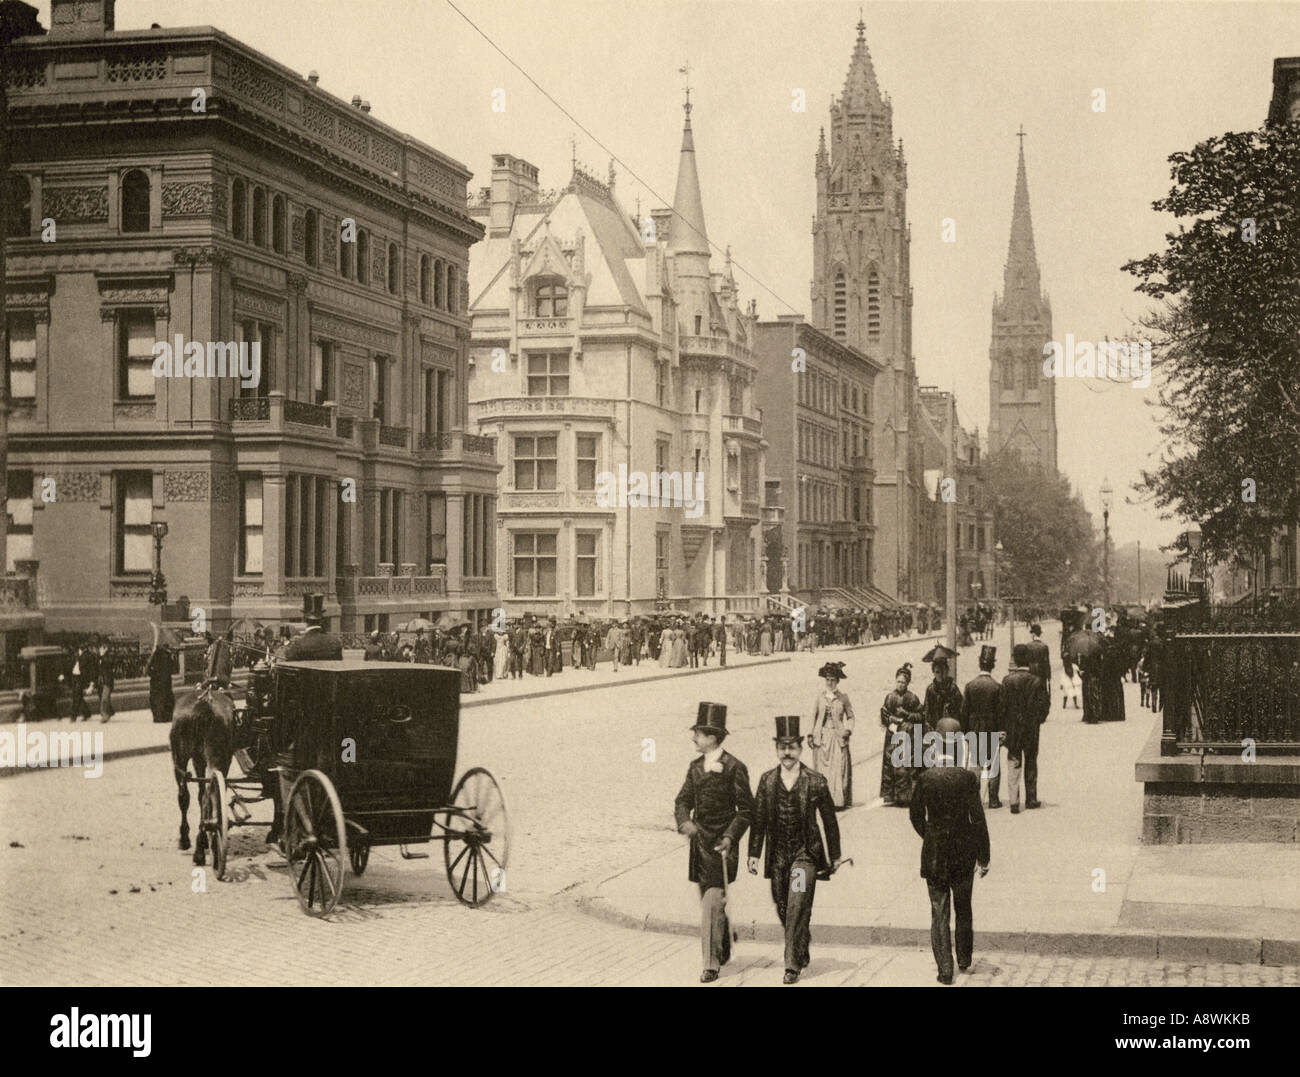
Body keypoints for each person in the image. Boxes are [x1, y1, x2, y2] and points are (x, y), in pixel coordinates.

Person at [748, 715, 844, 984]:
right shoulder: (767, 782)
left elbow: (829, 821)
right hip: (778, 856)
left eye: (792, 747)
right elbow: (758, 821)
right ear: (776, 749)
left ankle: (791, 966)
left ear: (801, 749)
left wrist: (834, 855)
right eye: (782, 747)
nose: (787, 753)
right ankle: (801, 946)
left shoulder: (815, 781)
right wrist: (754, 854)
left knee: (797, 904)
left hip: (805, 855)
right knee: (782, 905)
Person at [673, 703, 754, 984]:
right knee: (712, 904)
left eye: (697, 733)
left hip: (722, 847)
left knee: (711, 903)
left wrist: (731, 837)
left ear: (712, 737)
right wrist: (684, 820)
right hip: (700, 846)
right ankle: (722, 946)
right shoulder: (695, 768)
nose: (693, 738)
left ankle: (710, 964)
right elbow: (682, 800)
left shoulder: (734, 767)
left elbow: (746, 811)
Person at [910, 716, 991, 984]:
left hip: (934, 854)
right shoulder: (967, 779)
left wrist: (930, 834)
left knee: (939, 911)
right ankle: (965, 958)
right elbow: (978, 819)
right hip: (963, 853)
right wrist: (984, 856)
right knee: (963, 907)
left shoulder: (925, 778)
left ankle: (945, 970)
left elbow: (914, 816)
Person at [999, 642, 1050, 813]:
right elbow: (1045, 706)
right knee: (1031, 761)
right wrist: (1037, 720)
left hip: (1013, 728)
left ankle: (1014, 801)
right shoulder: (1037, 681)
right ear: (1028, 660)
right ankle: (1031, 798)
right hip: (1031, 728)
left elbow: (1002, 707)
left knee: (1013, 761)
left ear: (1014, 659)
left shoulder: (1006, 681)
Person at [807, 661, 854, 809]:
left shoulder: (843, 698)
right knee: (821, 770)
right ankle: (822, 801)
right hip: (822, 738)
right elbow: (813, 717)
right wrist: (810, 734)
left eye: (833, 680)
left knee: (837, 770)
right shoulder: (820, 697)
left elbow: (851, 717)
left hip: (837, 737)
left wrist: (848, 730)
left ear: (838, 681)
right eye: (827, 679)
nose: (830, 682)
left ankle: (837, 801)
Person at [962, 644, 1003, 808]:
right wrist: (1001, 732)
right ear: (992, 665)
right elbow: (1001, 712)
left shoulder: (970, 686)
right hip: (991, 730)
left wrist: (966, 732)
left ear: (980, 663)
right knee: (993, 765)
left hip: (974, 730)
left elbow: (964, 711)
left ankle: (974, 799)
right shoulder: (997, 687)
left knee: (975, 764)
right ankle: (993, 800)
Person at [880, 663, 923, 806]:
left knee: (906, 764)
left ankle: (905, 796)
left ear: (908, 683)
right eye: (898, 681)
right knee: (889, 762)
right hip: (892, 734)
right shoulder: (890, 697)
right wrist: (889, 719)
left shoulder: (912, 698)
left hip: (907, 735)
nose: (900, 684)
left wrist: (907, 715)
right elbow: (884, 714)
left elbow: (921, 716)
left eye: (903, 682)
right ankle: (889, 795)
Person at [922, 644, 964, 732]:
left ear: (947, 671)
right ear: (933, 672)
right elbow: (927, 712)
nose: (941, 675)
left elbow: (961, 708)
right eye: (937, 672)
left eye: (943, 671)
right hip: (935, 728)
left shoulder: (953, 688)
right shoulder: (931, 690)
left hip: (952, 728)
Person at [147, 638, 174, 724]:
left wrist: (153, 675)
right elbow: (173, 668)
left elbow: (148, 669)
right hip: (166, 681)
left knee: (156, 699)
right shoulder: (168, 655)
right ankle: (166, 717)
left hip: (156, 681)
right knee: (166, 698)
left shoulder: (155, 656)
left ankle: (158, 717)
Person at [1025, 624, 1053, 697]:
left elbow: (1026, 660)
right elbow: (1046, 662)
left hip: (1031, 671)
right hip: (1041, 672)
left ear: (1033, 634)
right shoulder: (1044, 646)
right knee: (1041, 691)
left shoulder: (1028, 645)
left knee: (1031, 690)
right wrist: (1049, 675)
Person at [95, 640, 116, 723]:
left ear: (105, 649)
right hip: (101, 681)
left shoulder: (108, 656)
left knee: (104, 698)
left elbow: (110, 663)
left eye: (101, 648)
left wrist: (102, 656)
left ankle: (104, 716)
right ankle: (110, 712)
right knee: (103, 698)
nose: (99, 650)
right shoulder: (100, 657)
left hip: (107, 681)